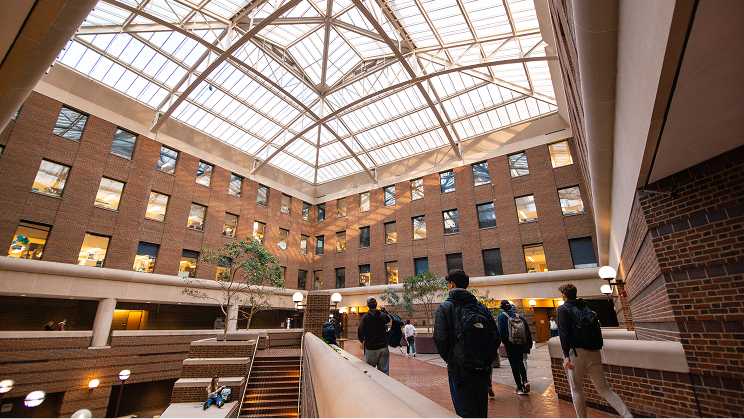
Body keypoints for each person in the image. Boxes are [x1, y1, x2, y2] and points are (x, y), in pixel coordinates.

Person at [557, 283, 632, 418]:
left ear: (564, 295)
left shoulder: (563, 309)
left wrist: (565, 354)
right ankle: (627, 415)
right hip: (594, 352)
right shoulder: (585, 308)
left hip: (576, 354)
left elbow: (564, 333)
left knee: (577, 390)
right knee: (604, 388)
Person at [434, 269, 500, 418]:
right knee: (481, 413)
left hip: (459, 373)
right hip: (482, 370)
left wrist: (453, 360)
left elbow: (440, 339)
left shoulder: (445, 307)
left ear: (451, 284)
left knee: (466, 414)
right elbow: (496, 337)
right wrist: (484, 358)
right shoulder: (482, 307)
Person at [497, 300, 531, 395]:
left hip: (510, 344)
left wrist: (504, 342)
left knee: (513, 365)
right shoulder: (518, 316)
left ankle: (519, 387)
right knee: (520, 362)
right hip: (520, 342)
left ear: (502, 307)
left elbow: (501, 331)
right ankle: (525, 381)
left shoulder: (502, 316)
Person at [357, 296, 391, 375]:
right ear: (376, 304)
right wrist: (383, 310)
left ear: (368, 305)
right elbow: (388, 319)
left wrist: (361, 340)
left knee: (370, 372)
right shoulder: (382, 315)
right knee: (384, 373)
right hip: (383, 347)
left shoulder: (365, 317)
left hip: (371, 347)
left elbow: (361, 331)